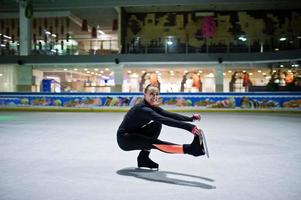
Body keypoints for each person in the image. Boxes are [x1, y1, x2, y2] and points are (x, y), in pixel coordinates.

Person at [117, 84, 205, 170]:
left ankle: (143, 158)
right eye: (151, 93)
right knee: (155, 143)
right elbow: (163, 119)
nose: (154, 96)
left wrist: (190, 119)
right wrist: (189, 127)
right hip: (124, 139)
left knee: (156, 125)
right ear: (145, 95)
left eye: (156, 94)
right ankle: (191, 149)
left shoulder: (152, 107)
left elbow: (169, 115)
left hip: (134, 133)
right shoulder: (143, 109)